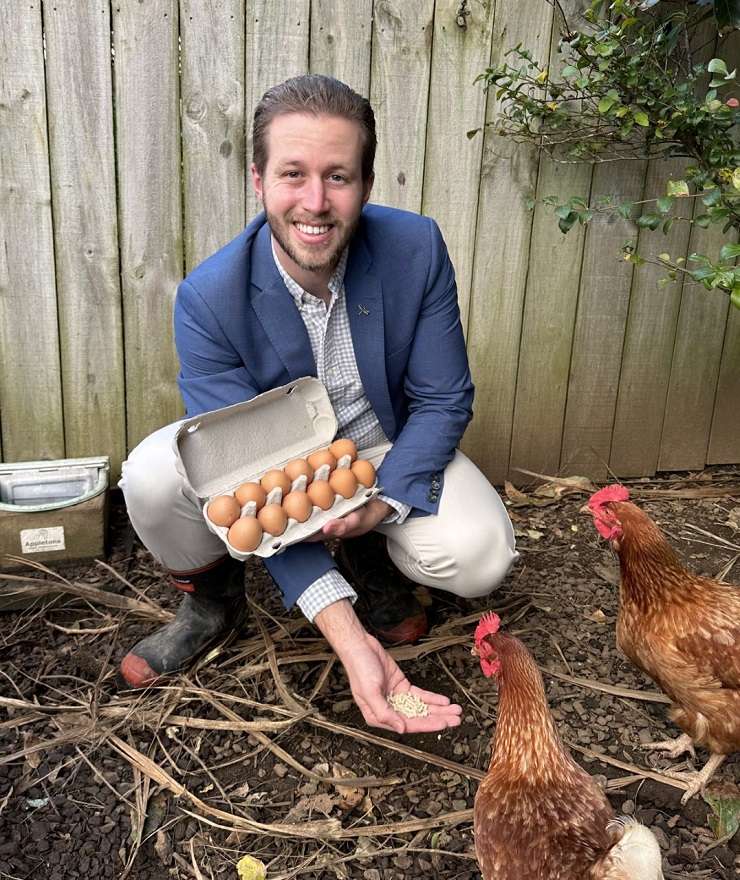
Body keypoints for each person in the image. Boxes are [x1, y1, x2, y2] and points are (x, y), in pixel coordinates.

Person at [118, 74, 517, 734]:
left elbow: (443, 397)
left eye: (339, 176)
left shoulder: (414, 249)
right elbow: (248, 485)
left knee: (480, 555)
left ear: (365, 182)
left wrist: (383, 499)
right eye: (293, 174)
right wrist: (348, 634)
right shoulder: (209, 298)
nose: (315, 202)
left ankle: (367, 549)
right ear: (258, 181)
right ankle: (213, 603)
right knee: (152, 475)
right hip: (272, 461)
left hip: (378, 439)